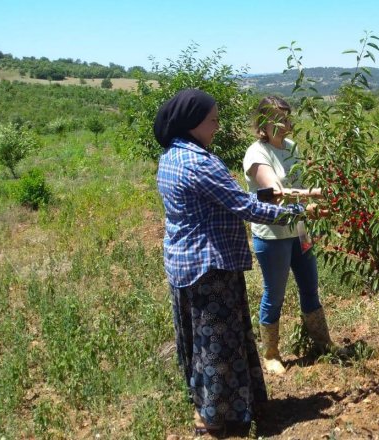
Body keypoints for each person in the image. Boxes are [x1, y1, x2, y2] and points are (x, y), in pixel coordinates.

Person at [155, 89, 306, 436]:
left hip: (184, 264)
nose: (218, 127)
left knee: (200, 342)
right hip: (210, 267)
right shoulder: (199, 163)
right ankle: (216, 419)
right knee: (218, 347)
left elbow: (225, 199)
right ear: (193, 122)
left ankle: (209, 407)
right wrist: (298, 213)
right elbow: (244, 207)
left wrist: (262, 196)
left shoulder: (172, 157)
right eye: (213, 120)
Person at [242, 96, 333, 376]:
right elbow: (276, 192)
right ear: (264, 122)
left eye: (287, 117)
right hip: (273, 234)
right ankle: (271, 353)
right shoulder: (257, 154)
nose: (285, 123)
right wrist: (310, 200)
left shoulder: (292, 147)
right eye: (278, 118)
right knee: (275, 293)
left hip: (300, 230)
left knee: (310, 286)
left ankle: (323, 344)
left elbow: (303, 181)